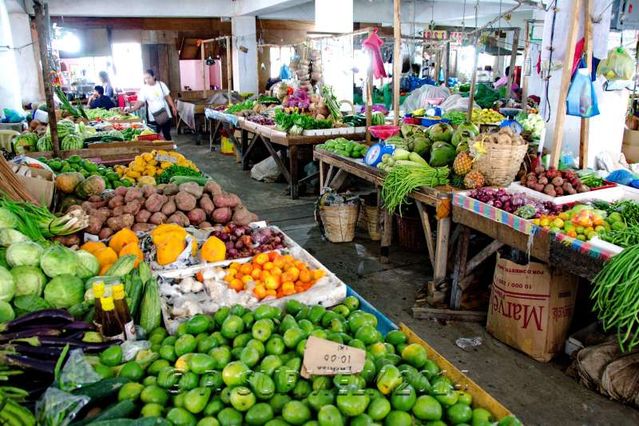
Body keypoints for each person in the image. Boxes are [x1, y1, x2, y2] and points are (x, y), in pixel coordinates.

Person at [127, 69, 177, 140]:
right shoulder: (144, 89)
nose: (147, 80)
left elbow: (167, 97)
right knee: (155, 135)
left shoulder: (161, 84)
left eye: (149, 78)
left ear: (154, 76)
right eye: (145, 78)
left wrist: (173, 107)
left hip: (165, 113)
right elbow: (140, 101)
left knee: (167, 134)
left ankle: (170, 148)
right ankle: (158, 150)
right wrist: (131, 110)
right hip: (153, 116)